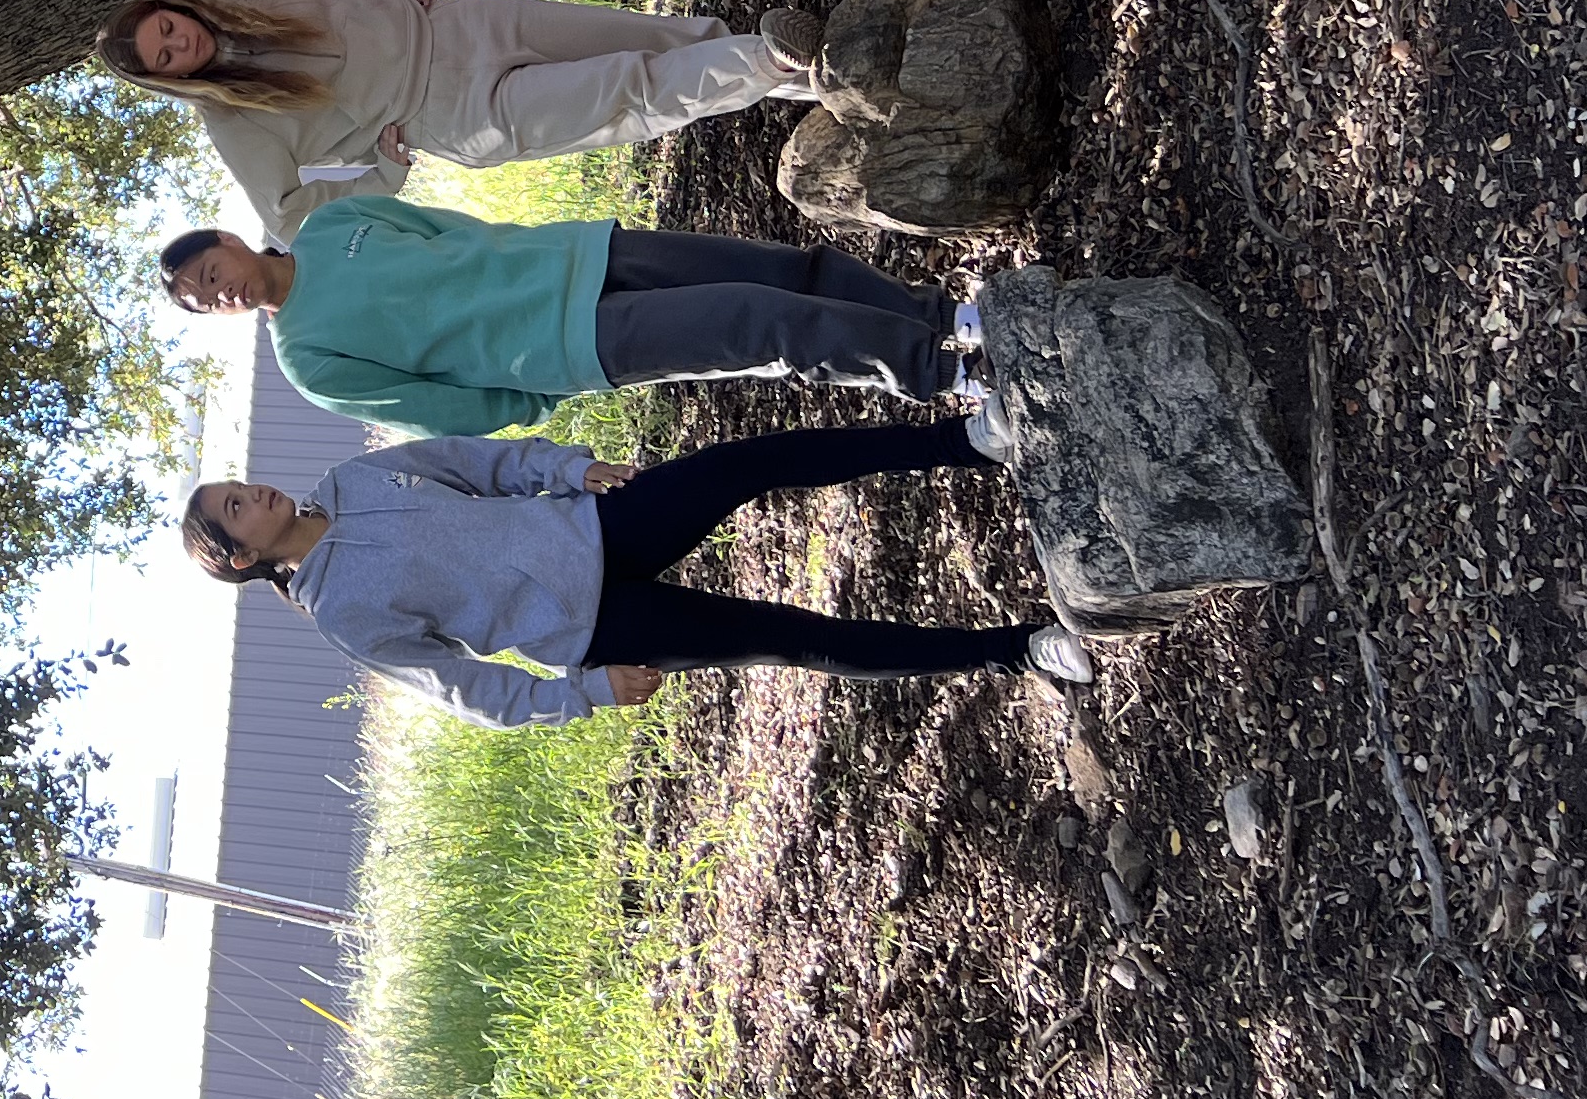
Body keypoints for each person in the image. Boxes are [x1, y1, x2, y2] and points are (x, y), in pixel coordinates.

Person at [174, 423, 1096, 726]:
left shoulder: (356, 477)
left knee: (749, 463)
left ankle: (967, 439)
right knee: (793, 637)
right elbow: (464, 687)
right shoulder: (342, 612)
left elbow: (475, 461)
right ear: (244, 557)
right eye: (236, 507)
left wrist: (566, 468)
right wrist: (581, 692)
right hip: (595, 627)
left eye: (238, 485)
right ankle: (1019, 649)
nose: (253, 489)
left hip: (598, 524)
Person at [92, 0, 821, 243]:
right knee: (632, 90)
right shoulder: (234, 123)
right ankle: (766, 61)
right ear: (172, 79)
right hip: (456, 117)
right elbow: (290, 218)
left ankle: (808, 70)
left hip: (460, 26)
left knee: (648, 37)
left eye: (166, 28)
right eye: (165, 58)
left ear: (173, 6)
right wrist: (382, 171)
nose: (179, 44)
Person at [157, 209, 995, 441]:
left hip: (580, 254)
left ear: (228, 241)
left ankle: (948, 317)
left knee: (777, 270)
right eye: (203, 301)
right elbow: (431, 409)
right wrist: (531, 395)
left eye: (207, 273)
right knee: (759, 325)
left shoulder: (337, 225)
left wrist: (541, 250)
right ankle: (944, 373)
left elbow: (452, 230)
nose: (216, 291)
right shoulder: (306, 359)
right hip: (568, 345)